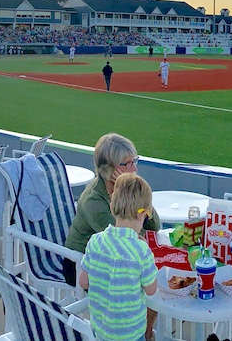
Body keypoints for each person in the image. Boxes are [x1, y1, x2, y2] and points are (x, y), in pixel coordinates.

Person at [64, 134, 160, 338]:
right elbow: (133, 237)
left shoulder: (122, 196)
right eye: (127, 164)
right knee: (143, 282)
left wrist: (137, 194)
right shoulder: (94, 202)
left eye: (135, 161)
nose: (134, 168)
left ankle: (146, 331)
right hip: (81, 262)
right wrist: (135, 199)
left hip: (104, 259)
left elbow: (155, 225)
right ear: (109, 170)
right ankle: (139, 332)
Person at [77, 172, 159, 341]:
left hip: (100, 332)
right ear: (140, 214)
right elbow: (151, 290)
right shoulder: (141, 250)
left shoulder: (95, 241)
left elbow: (83, 282)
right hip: (131, 335)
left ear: (112, 207)